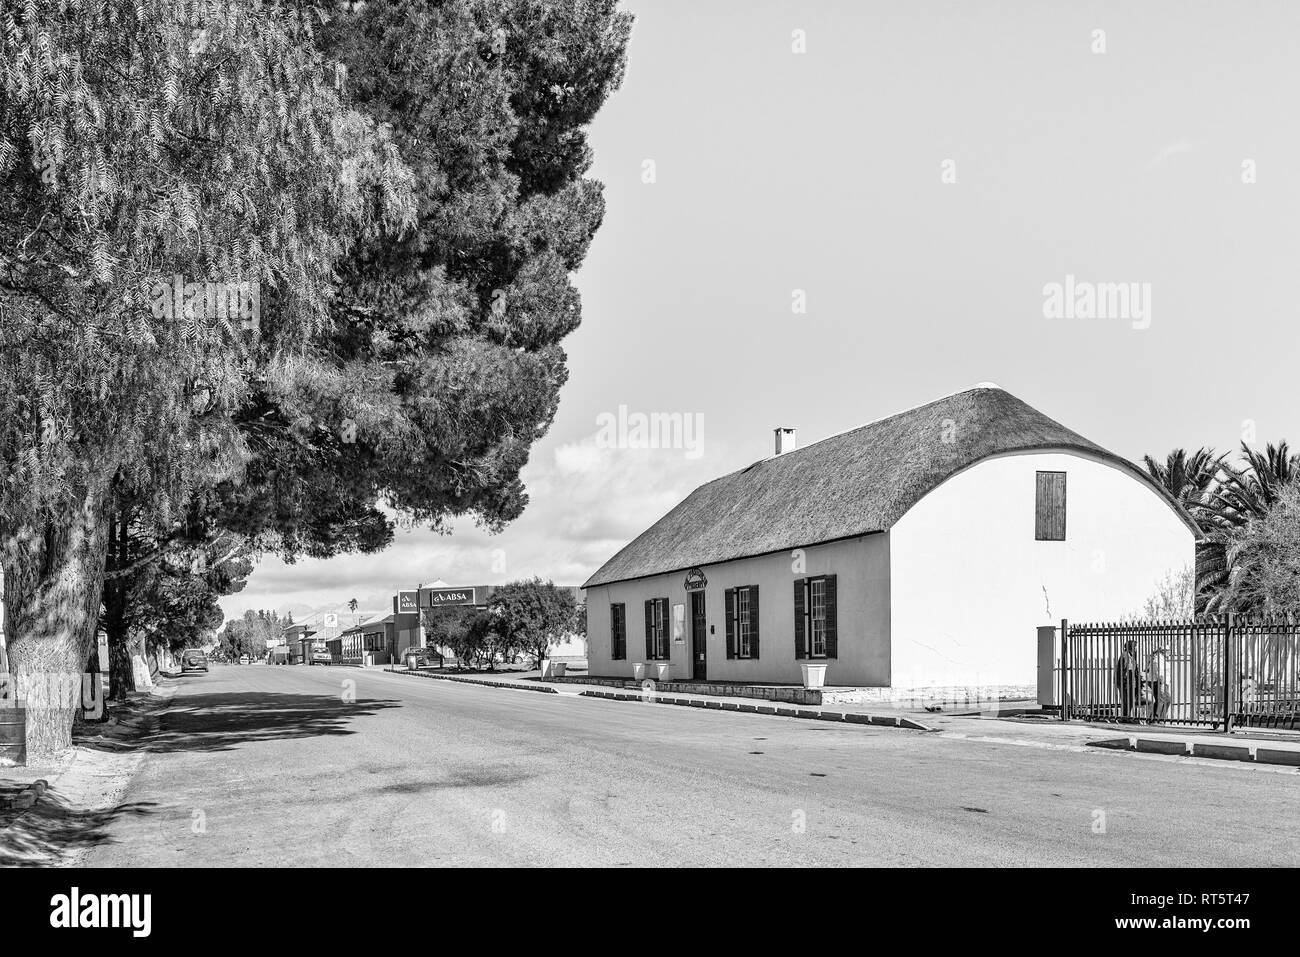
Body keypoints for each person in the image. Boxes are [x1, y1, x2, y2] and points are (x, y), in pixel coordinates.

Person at [1115, 640, 1142, 723]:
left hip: (1129, 682)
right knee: (1127, 701)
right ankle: (1125, 717)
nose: (1137, 648)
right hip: (1127, 683)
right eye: (1136, 646)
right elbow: (1126, 670)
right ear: (1132, 647)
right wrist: (1126, 682)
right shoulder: (1126, 656)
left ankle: (1126, 717)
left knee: (1128, 701)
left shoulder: (1130, 655)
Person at [1146, 646, 1171, 722]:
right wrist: (1162, 683)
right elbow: (1159, 672)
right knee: (1162, 700)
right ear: (1164, 651)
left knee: (1162, 700)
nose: (1169, 653)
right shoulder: (1158, 659)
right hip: (1159, 682)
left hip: (1161, 682)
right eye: (1168, 651)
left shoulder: (1162, 658)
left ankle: (1157, 717)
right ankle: (1157, 718)